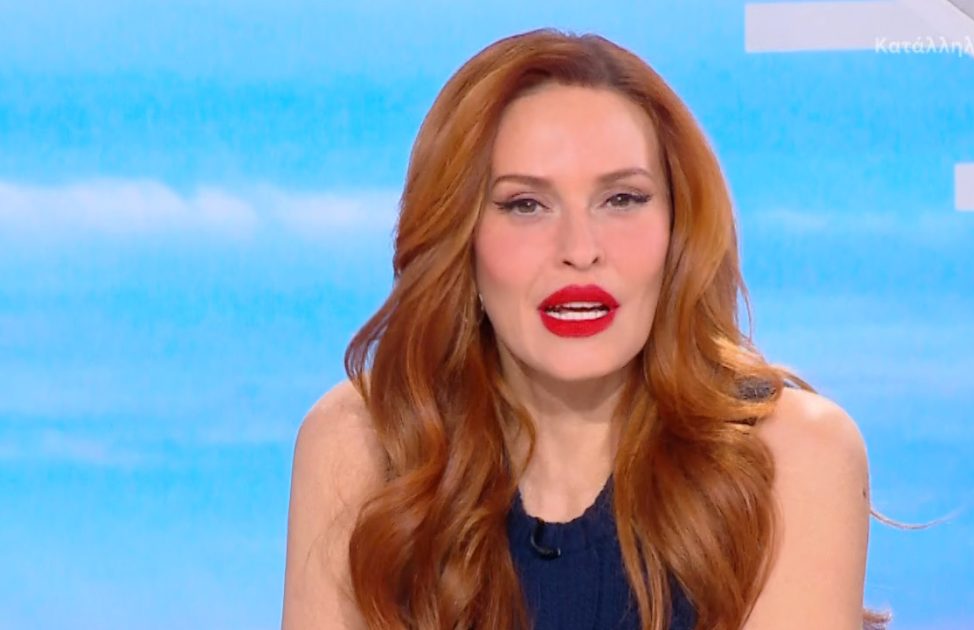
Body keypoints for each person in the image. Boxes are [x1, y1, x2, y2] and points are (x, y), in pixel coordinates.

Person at [282, 28, 892, 630]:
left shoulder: (792, 456)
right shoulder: (366, 445)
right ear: (459, 238)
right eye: (526, 205)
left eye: (622, 199)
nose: (579, 250)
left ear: (678, 229)